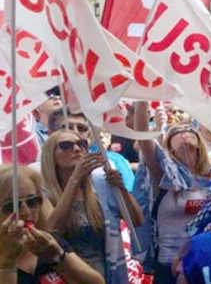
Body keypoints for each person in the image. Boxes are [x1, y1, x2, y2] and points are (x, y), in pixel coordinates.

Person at [40, 130, 143, 283]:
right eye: (66, 145)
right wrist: (75, 179)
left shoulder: (100, 184)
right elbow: (52, 230)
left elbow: (136, 221)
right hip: (67, 278)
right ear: (51, 155)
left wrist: (121, 188)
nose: (76, 149)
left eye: (81, 144)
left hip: (108, 275)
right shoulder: (43, 193)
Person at [131, 102, 211, 284]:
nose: (183, 133)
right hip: (169, 266)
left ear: (200, 142)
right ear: (169, 147)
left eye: (188, 129)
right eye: (175, 132)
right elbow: (143, 135)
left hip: (206, 262)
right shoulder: (163, 175)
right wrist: (142, 96)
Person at [0, 165, 104, 284]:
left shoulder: (46, 241)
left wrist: (59, 257)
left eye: (32, 201)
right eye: (11, 206)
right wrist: (6, 262)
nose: (25, 212)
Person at [47, 108, 135, 191]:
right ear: (51, 134)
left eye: (81, 128)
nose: (75, 132)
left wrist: (121, 188)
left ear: (88, 134)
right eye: (67, 127)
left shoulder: (105, 165)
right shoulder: (38, 172)